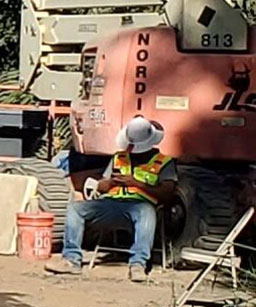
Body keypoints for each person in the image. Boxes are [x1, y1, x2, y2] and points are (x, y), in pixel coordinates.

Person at [45, 116, 178, 282]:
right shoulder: (118, 158)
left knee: (146, 211)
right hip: (111, 204)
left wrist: (136, 183)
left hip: (140, 207)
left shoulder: (164, 162)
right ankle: (72, 259)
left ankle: (138, 264)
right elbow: (100, 186)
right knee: (76, 208)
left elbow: (167, 194)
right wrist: (110, 183)